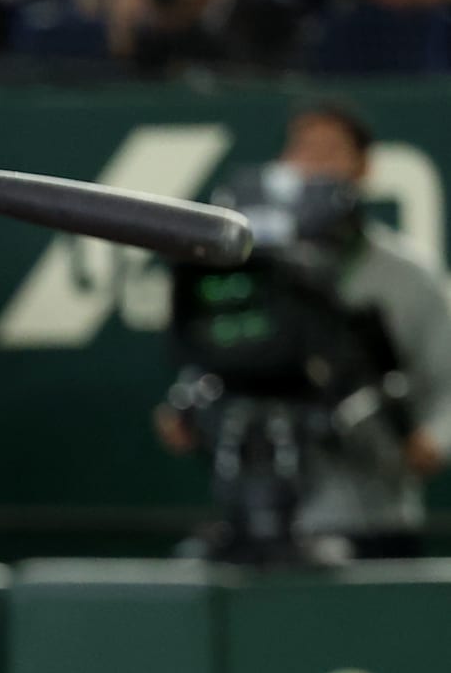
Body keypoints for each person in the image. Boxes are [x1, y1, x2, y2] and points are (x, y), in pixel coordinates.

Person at [156, 102, 451, 562]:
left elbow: (445, 379)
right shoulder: (252, 265)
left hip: (374, 520)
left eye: (329, 151)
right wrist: (187, 406)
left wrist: (433, 441)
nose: (312, 164)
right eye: (302, 149)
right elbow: (227, 352)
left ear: (364, 167)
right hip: (262, 519)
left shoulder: (409, 275)